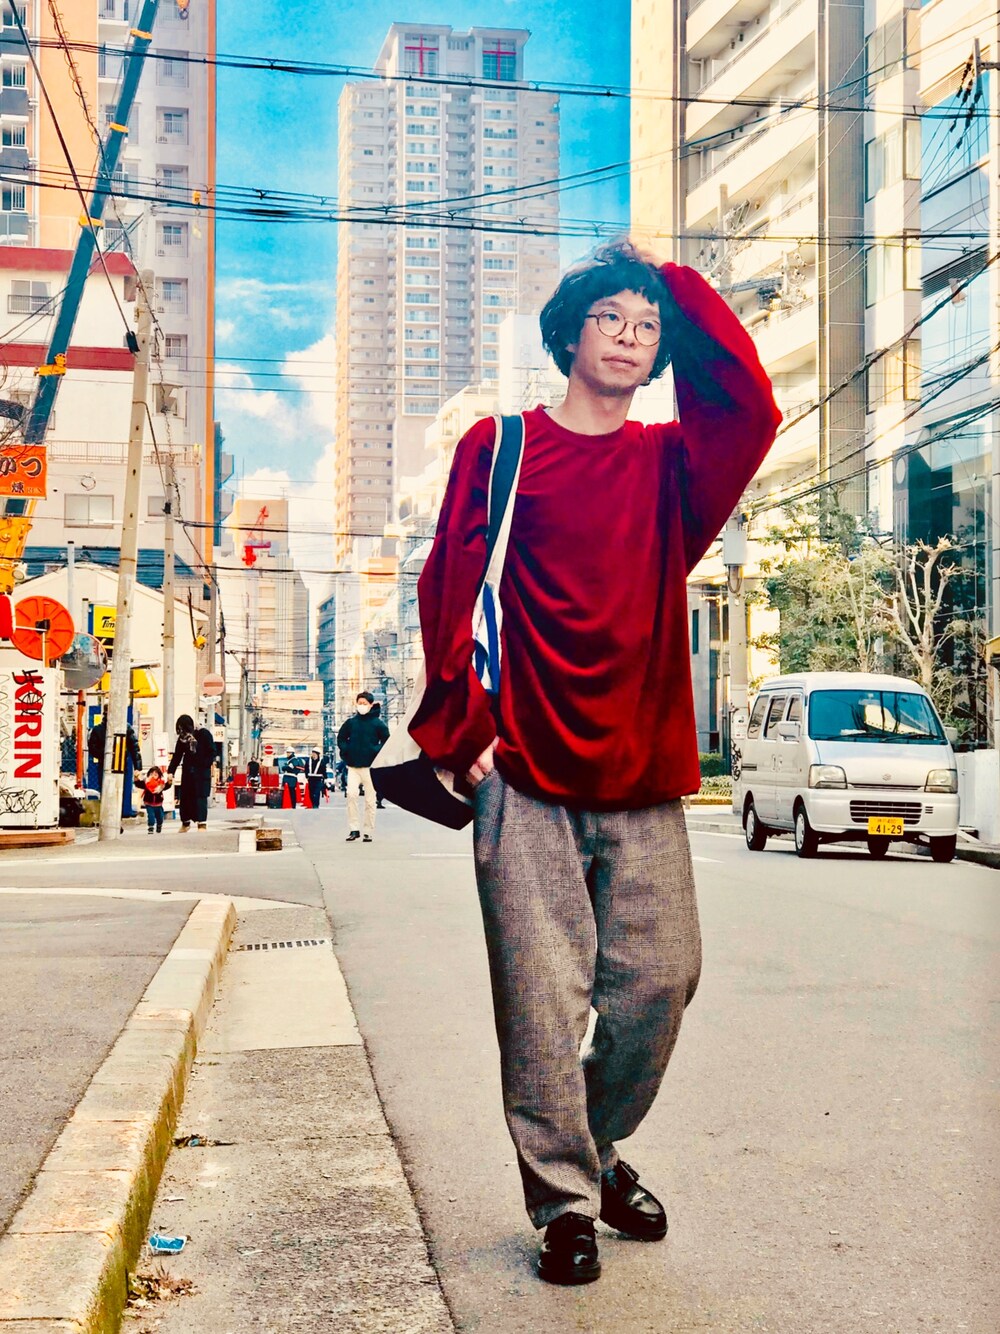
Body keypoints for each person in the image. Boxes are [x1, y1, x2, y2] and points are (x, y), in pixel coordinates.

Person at [410, 240, 780, 1285]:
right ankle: (565, 1203)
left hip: (643, 771)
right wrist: (465, 730)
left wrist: (674, 280)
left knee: (660, 982)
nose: (630, 336)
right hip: (524, 768)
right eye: (611, 317)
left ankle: (597, 1147)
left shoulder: (671, 466)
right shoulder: (502, 445)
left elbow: (750, 408)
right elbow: (449, 583)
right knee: (542, 1000)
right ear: (568, 336)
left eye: (647, 326)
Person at [336, 691, 389, 842]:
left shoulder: (378, 724)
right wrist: (346, 750)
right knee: (351, 795)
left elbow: (387, 741)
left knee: (370, 800)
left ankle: (368, 831)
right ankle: (354, 829)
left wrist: (375, 751)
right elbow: (341, 738)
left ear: (371, 705)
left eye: (364, 703)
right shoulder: (351, 723)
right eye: (359, 703)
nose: (362, 706)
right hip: (353, 766)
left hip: (370, 768)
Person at [166, 713, 217, 831]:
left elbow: (212, 752)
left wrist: (204, 764)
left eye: (183, 729)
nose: (182, 732)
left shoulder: (204, 734)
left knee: (200, 798)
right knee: (185, 798)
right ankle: (185, 823)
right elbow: (177, 756)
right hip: (188, 773)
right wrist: (171, 772)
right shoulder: (182, 739)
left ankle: (202, 824)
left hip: (201, 773)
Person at [87, 716, 142, 820]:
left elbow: (92, 748)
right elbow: (135, 748)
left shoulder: (98, 730)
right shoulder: (125, 728)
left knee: (107, 790)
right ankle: (117, 817)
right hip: (120, 764)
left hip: (105, 764)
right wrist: (137, 767)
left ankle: (109, 817)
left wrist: (106, 754)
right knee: (120, 790)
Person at [135, 765, 170, 834]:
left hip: (159, 804)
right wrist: (136, 777)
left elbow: (167, 786)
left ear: (159, 775)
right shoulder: (146, 782)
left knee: (160, 817)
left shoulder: (161, 784)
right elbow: (138, 784)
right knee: (151, 816)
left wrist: (169, 781)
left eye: (156, 774)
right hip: (149, 803)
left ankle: (159, 825)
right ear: (149, 774)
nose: (154, 775)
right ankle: (150, 827)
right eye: (152, 774)